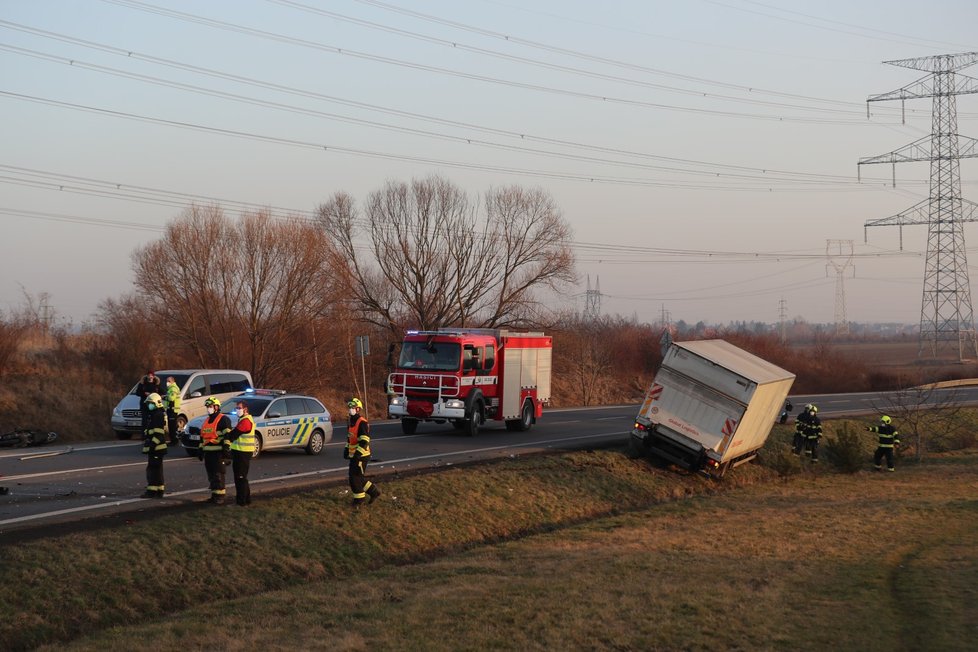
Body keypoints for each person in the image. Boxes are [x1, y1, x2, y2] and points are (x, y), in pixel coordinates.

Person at [345, 397, 380, 507]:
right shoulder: (351, 422)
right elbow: (350, 438)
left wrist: (358, 454)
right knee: (358, 478)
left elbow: (365, 440)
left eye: (352, 407)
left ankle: (359, 501)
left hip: (361, 456)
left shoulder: (362, 422)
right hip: (355, 455)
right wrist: (346, 449)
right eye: (349, 407)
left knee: (354, 479)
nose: (350, 409)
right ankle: (374, 492)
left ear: (358, 409)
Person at [199, 396, 232, 504]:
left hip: (218, 452)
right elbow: (202, 437)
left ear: (216, 407)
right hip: (208, 453)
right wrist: (200, 450)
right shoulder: (207, 420)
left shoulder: (223, 419)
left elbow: (227, 436)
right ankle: (214, 495)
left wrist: (226, 449)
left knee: (218, 474)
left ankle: (220, 496)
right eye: (207, 406)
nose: (208, 408)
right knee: (211, 475)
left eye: (210, 406)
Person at [226, 399, 255, 506]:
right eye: (236, 408)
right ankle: (247, 500)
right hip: (241, 452)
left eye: (239, 408)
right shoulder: (244, 420)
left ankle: (241, 502)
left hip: (242, 453)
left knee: (240, 478)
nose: (237, 410)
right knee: (242, 477)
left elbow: (233, 435)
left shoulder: (245, 421)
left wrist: (226, 435)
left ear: (245, 409)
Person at [141, 392, 168, 498]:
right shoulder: (156, 414)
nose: (149, 405)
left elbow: (159, 434)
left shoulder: (157, 415)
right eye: (148, 404)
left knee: (152, 470)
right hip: (157, 448)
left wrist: (152, 446)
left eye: (150, 403)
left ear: (157, 403)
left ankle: (152, 491)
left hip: (156, 448)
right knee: (157, 469)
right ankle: (159, 490)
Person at [164, 375, 182, 445]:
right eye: (167, 381)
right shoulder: (171, 388)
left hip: (173, 410)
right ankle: (173, 440)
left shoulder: (173, 388)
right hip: (171, 410)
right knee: (172, 426)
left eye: (169, 381)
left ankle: (174, 441)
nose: (167, 383)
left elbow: (171, 398)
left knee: (172, 427)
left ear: (173, 381)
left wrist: (165, 397)